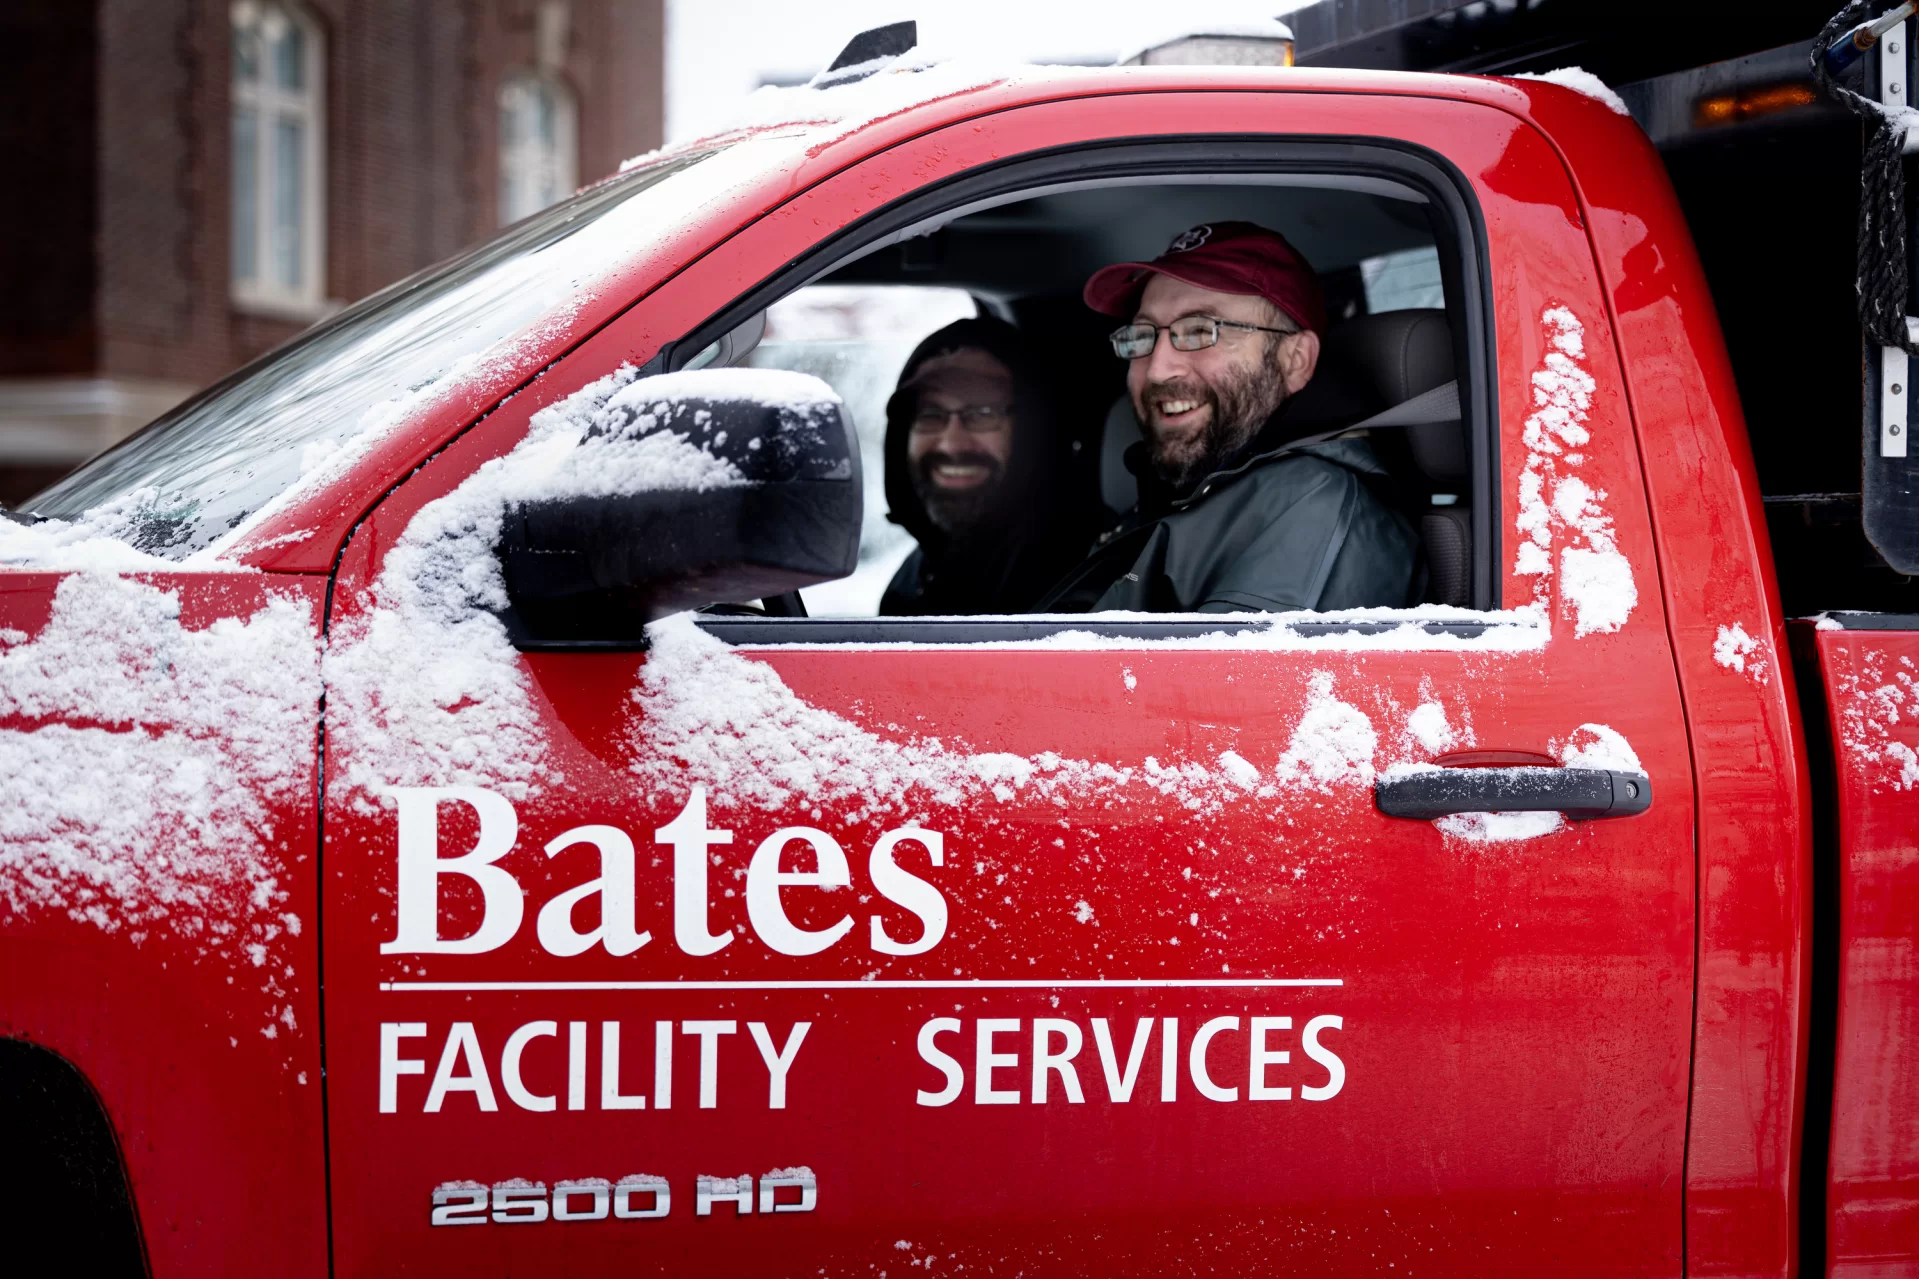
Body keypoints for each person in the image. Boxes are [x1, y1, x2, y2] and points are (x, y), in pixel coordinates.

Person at [1035, 221, 1421, 614]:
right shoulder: (1180, 494)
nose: (1157, 369)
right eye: (1143, 335)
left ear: (1295, 360)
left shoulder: (1313, 512)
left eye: (1201, 331)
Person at [879, 317, 1098, 615]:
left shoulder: (1080, 580)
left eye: (982, 413)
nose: (951, 444)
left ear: (1034, 430)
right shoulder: (917, 573)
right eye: (930, 414)